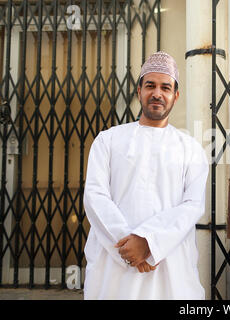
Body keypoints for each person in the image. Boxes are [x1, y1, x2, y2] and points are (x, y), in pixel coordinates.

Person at [83, 51, 208, 299]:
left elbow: (193, 206)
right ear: (139, 90)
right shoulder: (108, 140)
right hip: (115, 264)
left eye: (165, 87)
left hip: (169, 266)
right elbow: (95, 196)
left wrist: (150, 242)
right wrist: (130, 246)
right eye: (150, 85)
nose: (157, 94)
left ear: (176, 95)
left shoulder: (190, 148)